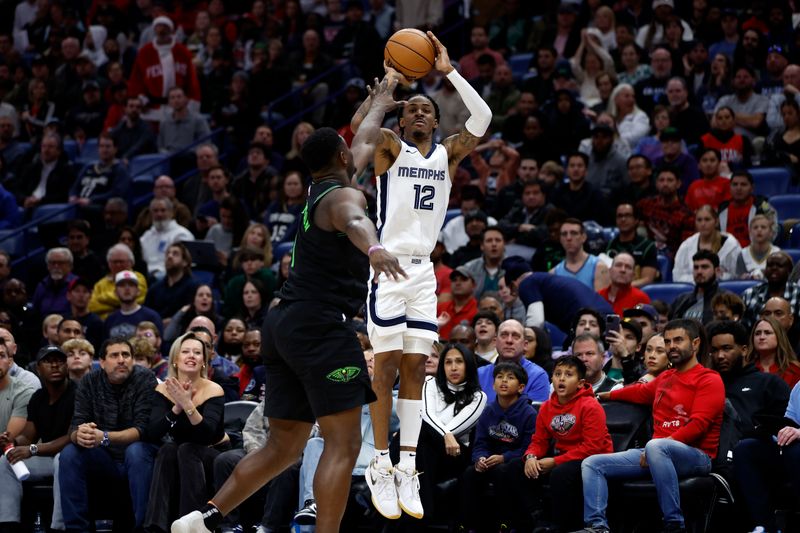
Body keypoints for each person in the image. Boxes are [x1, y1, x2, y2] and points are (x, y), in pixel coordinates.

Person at [172, 76, 407, 533]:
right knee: (342, 445)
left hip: (282, 325)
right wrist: (375, 248)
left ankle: (204, 519)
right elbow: (357, 220)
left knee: (284, 445)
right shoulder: (343, 196)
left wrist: (379, 102)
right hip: (319, 327)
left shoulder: (323, 185)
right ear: (340, 158)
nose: (354, 148)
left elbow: (361, 139)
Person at [349, 39, 492, 521]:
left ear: (435, 120)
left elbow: (483, 119)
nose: (418, 114)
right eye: (410, 109)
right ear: (403, 120)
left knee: (416, 369)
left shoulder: (448, 155)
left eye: (426, 109)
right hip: (387, 267)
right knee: (384, 367)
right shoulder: (390, 147)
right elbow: (358, 134)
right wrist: (387, 88)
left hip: (424, 271)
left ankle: (407, 462)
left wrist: (449, 73)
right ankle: (381, 462)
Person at [582, 319, 725, 533]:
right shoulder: (666, 377)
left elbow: (699, 425)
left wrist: (658, 446)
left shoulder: (709, 379)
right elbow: (638, 392)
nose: (671, 346)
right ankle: (597, 527)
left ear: (695, 344)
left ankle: (674, 525)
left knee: (655, 446)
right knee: (592, 464)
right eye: (668, 341)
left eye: (678, 340)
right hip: (655, 452)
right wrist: (601, 395)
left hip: (697, 455)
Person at [503, 355, 614, 532]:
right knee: (514, 467)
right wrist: (531, 456)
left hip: (593, 461)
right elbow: (538, 441)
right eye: (557, 374)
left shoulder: (591, 406)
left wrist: (555, 462)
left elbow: (593, 447)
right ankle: (535, 518)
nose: (561, 378)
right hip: (564, 457)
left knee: (560, 474)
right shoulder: (546, 407)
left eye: (568, 375)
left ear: (580, 383)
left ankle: (561, 526)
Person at [59, 337, 159, 531]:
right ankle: (77, 529)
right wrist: (79, 435)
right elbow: (75, 426)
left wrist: (104, 436)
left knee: (136, 451)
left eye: (126, 355)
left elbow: (142, 429)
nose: (121, 360)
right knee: (70, 453)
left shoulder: (145, 378)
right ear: (102, 362)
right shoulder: (89, 382)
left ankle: (143, 528)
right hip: (105, 459)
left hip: (140, 455)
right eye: (115, 355)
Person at [144, 332, 226, 532]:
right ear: (174, 360)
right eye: (186, 351)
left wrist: (188, 404)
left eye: (197, 353)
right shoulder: (163, 390)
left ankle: (192, 522)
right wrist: (176, 409)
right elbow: (151, 433)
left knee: (187, 449)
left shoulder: (214, 390)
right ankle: (156, 526)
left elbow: (206, 435)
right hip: (181, 451)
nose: (192, 356)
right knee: (168, 449)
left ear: (204, 362)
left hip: (213, 452)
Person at [0, 346, 73, 531]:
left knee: (62, 459)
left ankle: (59, 527)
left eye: (59, 361)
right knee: (5, 461)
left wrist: (33, 449)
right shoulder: (38, 398)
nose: (55, 365)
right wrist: (14, 442)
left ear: (67, 366)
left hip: (72, 457)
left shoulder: (78, 392)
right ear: (38, 369)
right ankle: (8, 524)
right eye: (48, 361)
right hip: (46, 457)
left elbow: (72, 437)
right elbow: (29, 435)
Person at [458, 361, 536, 532]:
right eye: (499, 377)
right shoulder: (488, 411)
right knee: (470, 473)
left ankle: (506, 523)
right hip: (490, 460)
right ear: (493, 385)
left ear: (521, 387)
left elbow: (529, 448)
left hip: (515, 461)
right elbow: (480, 442)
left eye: (510, 378)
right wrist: (479, 458)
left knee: (503, 472)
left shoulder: (529, 413)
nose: (504, 381)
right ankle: (468, 524)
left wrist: (504, 458)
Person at [418, 342, 487, 520]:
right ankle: (422, 512)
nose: (453, 367)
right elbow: (426, 414)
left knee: (418, 434)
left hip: (454, 453)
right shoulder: (429, 383)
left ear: (469, 365)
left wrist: (447, 434)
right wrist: (446, 434)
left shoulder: (478, 397)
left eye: (459, 361)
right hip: (429, 448)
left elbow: (455, 428)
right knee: (422, 442)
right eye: (448, 362)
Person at [733, 379, 800, 533]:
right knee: (746, 449)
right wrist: (770, 432)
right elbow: (789, 423)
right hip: (792, 451)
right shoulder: (798, 387)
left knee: (794, 450)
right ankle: (764, 526)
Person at [477, 319, 549, 403]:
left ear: (525, 345)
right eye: (504, 335)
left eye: (516, 336)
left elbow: (535, 414)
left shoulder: (538, 376)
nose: (509, 341)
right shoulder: (479, 374)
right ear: (495, 342)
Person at [672, 205, 744, 283]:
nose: (703, 224)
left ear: (716, 222)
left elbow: (738, 276)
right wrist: (702, 278)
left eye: (707, 219)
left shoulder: (731, 245)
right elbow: (677, 276)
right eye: (699, 220)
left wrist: (720, 277)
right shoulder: (686, 245)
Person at [636, 166, 695, 259]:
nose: (665, 184)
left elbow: (686, 246)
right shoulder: (645, 205)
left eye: (670, 180)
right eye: (661, 180)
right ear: (656, 183)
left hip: (673, 258)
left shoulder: (686, 214)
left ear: (678, 183)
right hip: (646, 253)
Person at [718, 171, 777, 248]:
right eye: (735, 184)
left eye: (743, 184)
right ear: (730, 187)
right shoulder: (722, 209)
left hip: (755, 252)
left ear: (752, 188)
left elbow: (774, 230)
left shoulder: (762, 207)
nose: (739, 188)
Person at [89, 244, 149, 319]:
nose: (118, 265)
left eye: (121, 262)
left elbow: (138, 299)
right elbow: (92, 306)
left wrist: (101, 298)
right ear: (109, 264)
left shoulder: (138, 278)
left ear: (131, 262)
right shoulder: (100, 284)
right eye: (114, 262)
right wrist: (118, 305)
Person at [140, 197, 195, 279]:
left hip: (169, 276)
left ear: (171, 213)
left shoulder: (182, 234)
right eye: (155, 211)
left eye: (163, 210)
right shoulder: (146, 236)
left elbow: (184, 264)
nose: (159, 214)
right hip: (146, 275)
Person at [606, 203, 658, 287]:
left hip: (636, 293)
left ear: (636, 220)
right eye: (619, 216)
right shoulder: (608, 246)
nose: (623, 219)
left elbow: (647, 279)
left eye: (627, 215)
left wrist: (621, 286)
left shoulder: (647, 246)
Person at [550, 218, 610, 291]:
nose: (568, 238)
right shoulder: (554, 273)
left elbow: (601, 301)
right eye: (564, 234)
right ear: (560, 239)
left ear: (583, 237)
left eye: (574, 233)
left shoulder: (599, 267)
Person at [671, 250, 729, 324]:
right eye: (696, 267)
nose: (699, 271)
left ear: (717, 271)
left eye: (704, 267)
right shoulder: (681, 300)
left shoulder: (726, 299)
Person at [103, 270, 163, 340]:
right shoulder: (110, 320)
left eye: (131, 285)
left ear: (138, 291)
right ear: (115, 292)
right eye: (122, 285)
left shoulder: (151, 317)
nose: (127, 288)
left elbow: (159, 344)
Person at [748, 317, 800, 389]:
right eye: (757, 333)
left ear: (779, 336)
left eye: (767, 333)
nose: (761, 337)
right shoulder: (746, 368)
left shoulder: (794, 370)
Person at [436, 266, 479, 340]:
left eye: (463, 279)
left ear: (474, 285)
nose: (458, 283)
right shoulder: (440, 307)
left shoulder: (478, 309)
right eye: (454, 280)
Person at [32, 247, 77, 316]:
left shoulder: (78, 285)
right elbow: (35, 312)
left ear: (70, 266)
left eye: (61, 263)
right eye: (52, 263)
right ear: (47, 266)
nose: (56, 266)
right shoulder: (41, 286)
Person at [741, 215, 781, 280]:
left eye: (763, 227)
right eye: (755, 227)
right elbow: (739, 280)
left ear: (771, 232)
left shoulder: (777, 253)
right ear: (750, 232)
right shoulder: (742, 254)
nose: (759, 230)